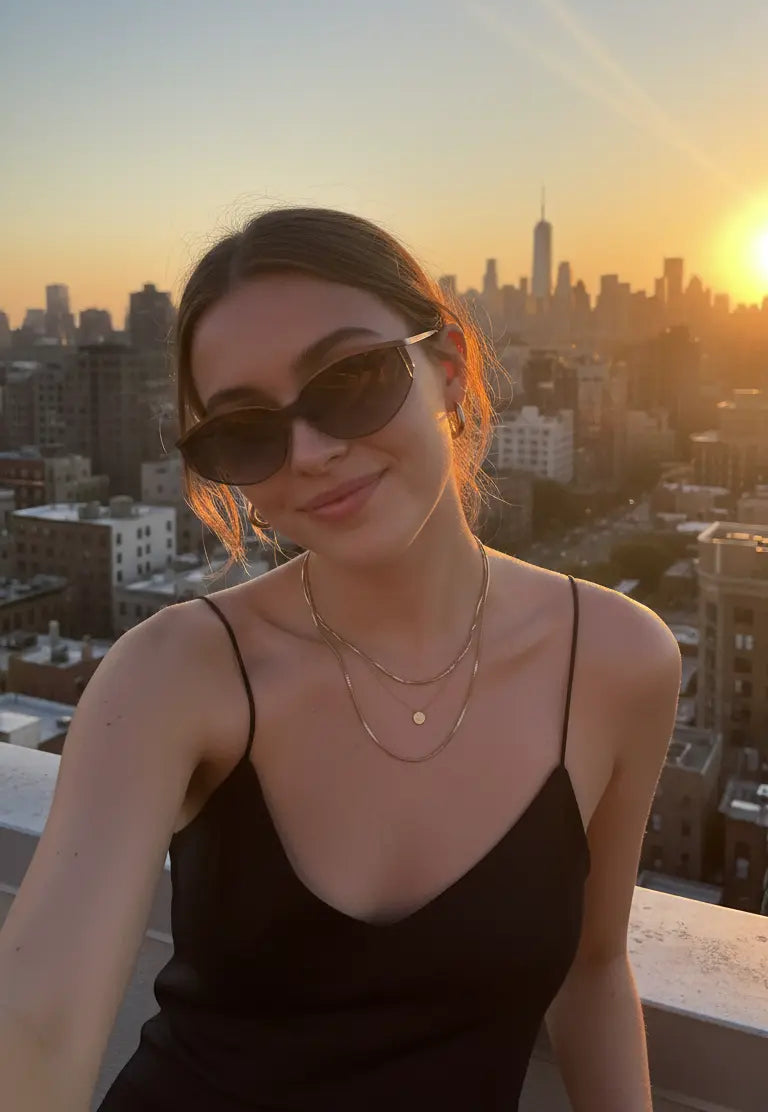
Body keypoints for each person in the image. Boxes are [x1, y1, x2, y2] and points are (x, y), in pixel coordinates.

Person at [0, 208, 681, 1111]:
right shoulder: (173, 674)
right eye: (245, 430)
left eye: (350, 377)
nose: (312, 453)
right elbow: (37, 1026)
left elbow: (594, 973)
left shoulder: (621, 662)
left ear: (448, 370)